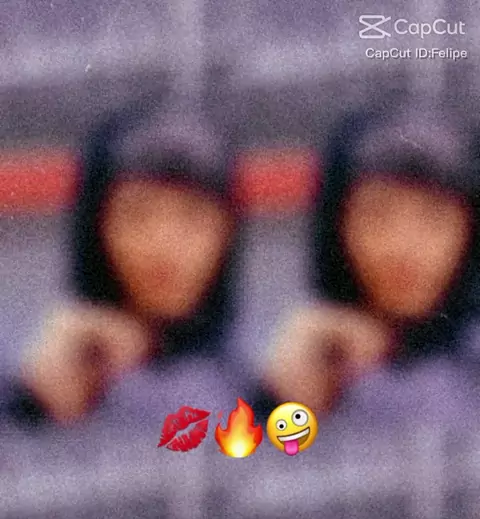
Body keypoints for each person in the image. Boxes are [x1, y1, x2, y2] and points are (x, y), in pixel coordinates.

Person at [1, 95, 241, 432]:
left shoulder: (259, 387)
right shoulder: (38, 378)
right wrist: (30, 406)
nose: (164, 244)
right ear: (95, 227)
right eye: (136, 214)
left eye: (192, 216)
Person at [261, 97, 480, 416]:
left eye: (435, 217)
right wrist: (277, 403)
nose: (404, 246)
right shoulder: (300, 362)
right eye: (377, 214)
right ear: (336, 226)